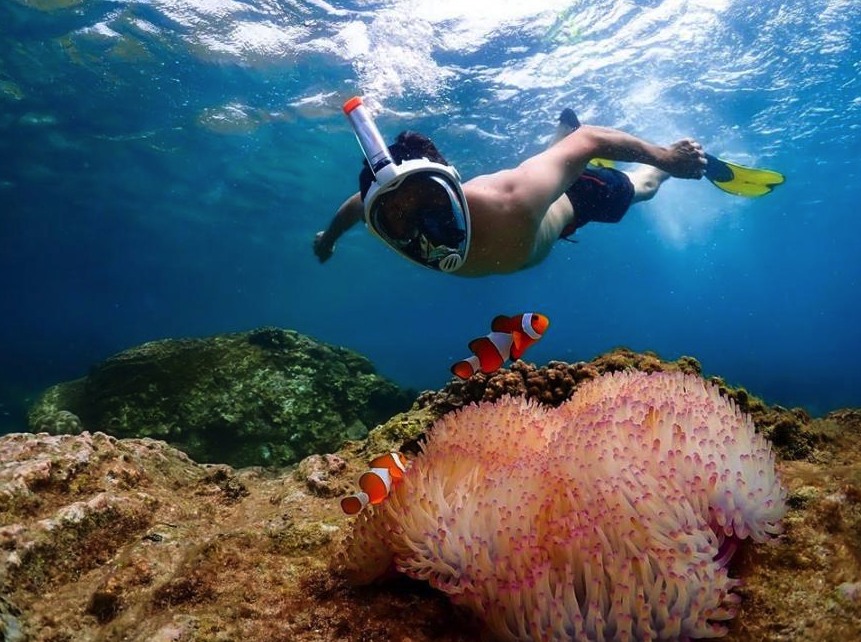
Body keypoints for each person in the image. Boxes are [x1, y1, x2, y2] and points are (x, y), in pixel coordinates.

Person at [313, 107, 775, 277]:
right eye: (397, 218)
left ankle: (677, 166)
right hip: (540, 210)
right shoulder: (376, 215)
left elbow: (590, 139)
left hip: (572, 202)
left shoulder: (513, 198)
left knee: (641, 188)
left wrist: (665, 158)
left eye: (433, 204)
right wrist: (328, 238)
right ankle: (558, 143)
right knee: (556, 160)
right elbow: (355, 206)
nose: (426, 231)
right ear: (380, 220)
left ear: (454, 185)